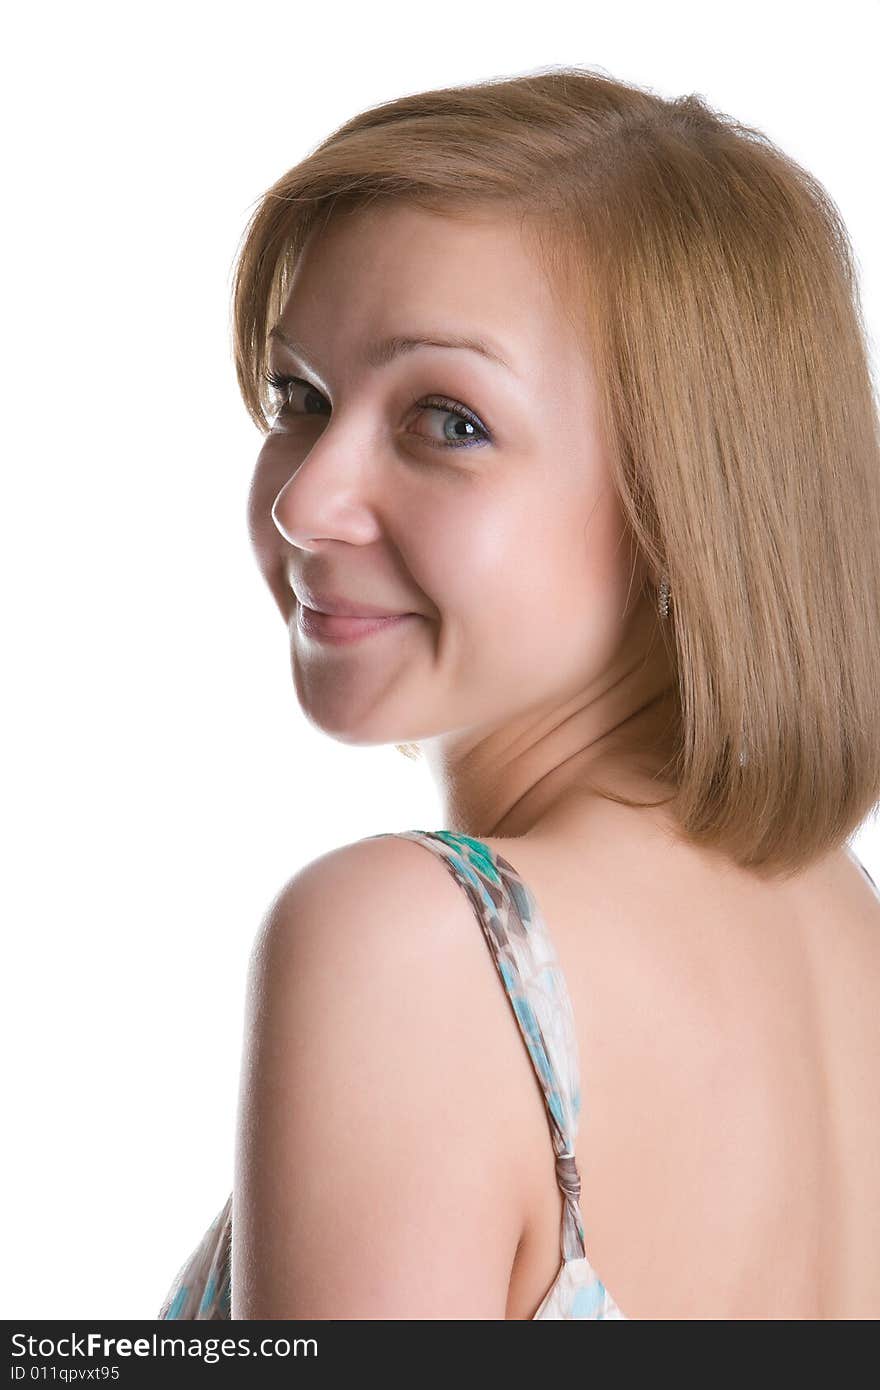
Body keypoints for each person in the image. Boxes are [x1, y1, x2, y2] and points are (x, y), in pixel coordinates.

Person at [158, 65, 880, 1320]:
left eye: (447, 419)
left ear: (684, 507)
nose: (304, 501)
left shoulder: (412, 945)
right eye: (300, 398)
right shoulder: (842, 924)